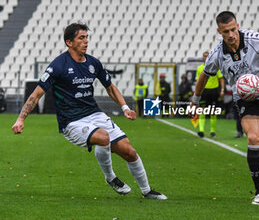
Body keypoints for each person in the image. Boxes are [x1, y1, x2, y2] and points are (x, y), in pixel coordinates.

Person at [11, 23, 167, 200]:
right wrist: (20, 119)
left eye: (87, 38)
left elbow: (110, 87)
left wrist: (125, 108)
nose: (86, 41)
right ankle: (111, 178)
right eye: (81, 38)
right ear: (69, 42)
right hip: (72, 121)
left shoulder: (93, 63)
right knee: (103, 137)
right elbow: (36, 94)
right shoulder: (58, 66)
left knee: (129, 151)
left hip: (94, 114)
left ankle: (147, 191)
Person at [190, 11, 259, 205]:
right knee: (253, 138)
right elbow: (204, 76)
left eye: (233, 29)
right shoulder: (217, 55)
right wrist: (195, 100)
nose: (230, 34)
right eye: (225, 31)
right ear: (219, 31)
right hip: (246, 98)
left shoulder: (254, 40)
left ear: (237, 26)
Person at [196, 51, 225, 138]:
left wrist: (222, 90)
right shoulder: (199, 68)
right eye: (205, 56)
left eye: (208, 56)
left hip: (214, 91)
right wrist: (197, 92)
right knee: (202, 110)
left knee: (213, 112)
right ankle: (201, 130)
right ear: (203, 58)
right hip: (204, 91)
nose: (206, 57)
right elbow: (198, 81)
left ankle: (212, 131)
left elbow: (221, 79)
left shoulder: (216, 67)